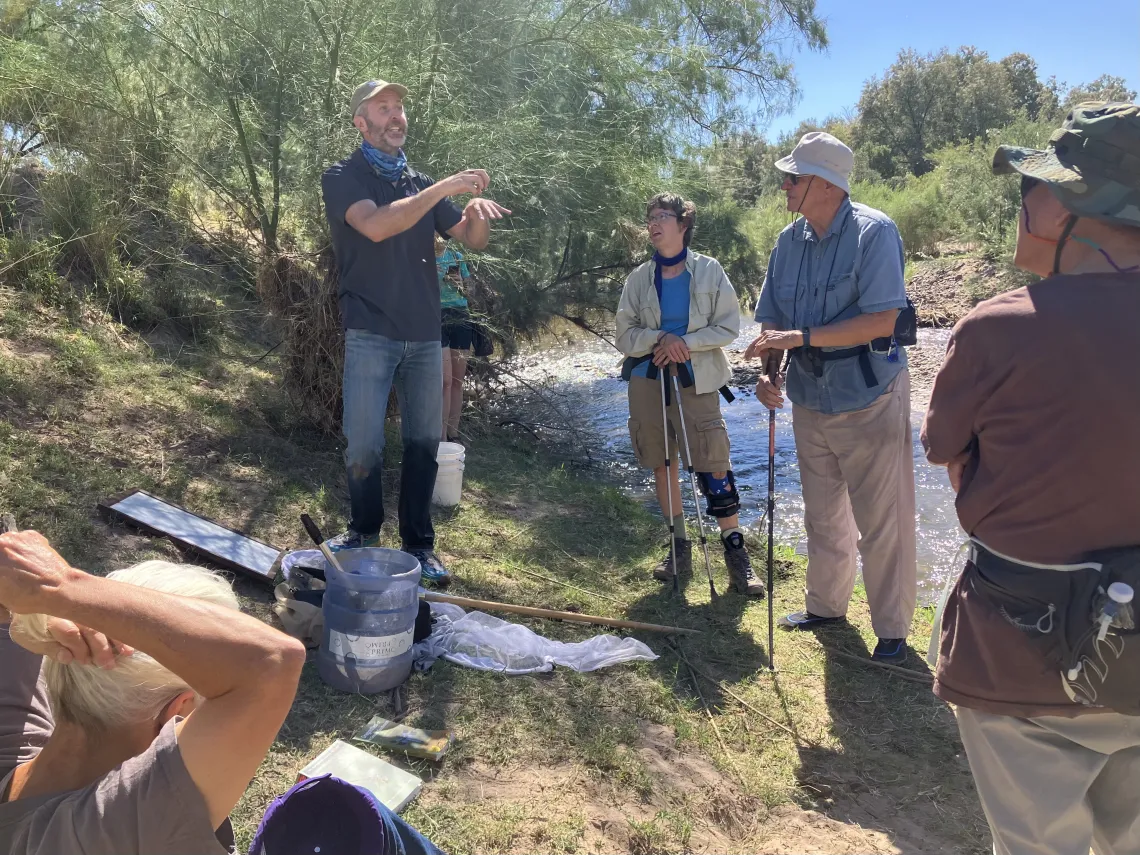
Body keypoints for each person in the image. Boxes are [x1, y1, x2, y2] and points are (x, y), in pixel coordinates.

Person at [921, 101, 1140, 855]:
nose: (1022, 204)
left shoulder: (998, 327)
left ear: (1060, 207)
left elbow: (953, 462)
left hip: (1023, 667)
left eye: (1029, 187)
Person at [0, 530, 306, 854]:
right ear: (180, 710)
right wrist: (67, 588)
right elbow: (269, 662)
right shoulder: (118, 833)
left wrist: (65, 595)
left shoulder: (15, 730)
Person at [321, 78, 510, 585]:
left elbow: (472, 239)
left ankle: (419, 545)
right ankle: (361, 532)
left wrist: (472, 213)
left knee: (424, 442)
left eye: (399, 107)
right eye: (383, 108)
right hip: (370, 330)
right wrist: (444, 188)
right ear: (361, 123)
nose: (396, 115)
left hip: (425, 333)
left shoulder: (417, 182)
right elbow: (378, 225)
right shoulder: (343, 176)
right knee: (362, 443)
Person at [745, 132, 917, 662]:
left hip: (869, 394)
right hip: (807, 396)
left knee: (882, 520)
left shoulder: (875, 232)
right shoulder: (786, 241)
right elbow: (772, 316)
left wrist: (801, 339)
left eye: (792, 177)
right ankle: (825, 607)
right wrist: (771, 371)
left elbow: (883, 319)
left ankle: (891, 630)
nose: (785, 184)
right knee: (821, 514)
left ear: (824, 184)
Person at [616, 192, 764, 597]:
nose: (654, 223)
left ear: (683, 224)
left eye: (663, 216)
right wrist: (658, 338)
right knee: (662, 462)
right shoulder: (638, 279)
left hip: (696, 381)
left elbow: (729, 327)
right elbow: (624, 334)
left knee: (712, 459)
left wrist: (683, 343)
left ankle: (737, 556)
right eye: (650, 217)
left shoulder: (710, 271)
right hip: (647, 380)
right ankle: (678, 548)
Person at [435, 236, 474, 443]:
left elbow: (470, 292)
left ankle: (453, 434)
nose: (439, 237)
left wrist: (461, 284)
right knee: (445, 381)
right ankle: (441, 439)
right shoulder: (421, 257)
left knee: (457, 380)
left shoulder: (457, 258)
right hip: (435, 317)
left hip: (460, 316)